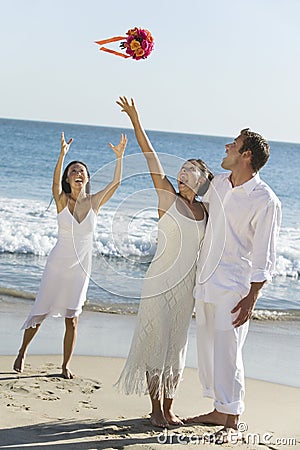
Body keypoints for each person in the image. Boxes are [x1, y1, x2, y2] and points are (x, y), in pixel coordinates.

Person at [115, 96, 213, 428]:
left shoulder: (205, 211)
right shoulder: (166, 195)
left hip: (186, 286)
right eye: (182, 168)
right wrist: (136, 122)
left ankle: (169, 408)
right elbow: (150, 157)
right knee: (155, 341)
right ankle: (155, 409)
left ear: (201, 181)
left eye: (191, 171)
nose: (183, 173)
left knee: (176, 347)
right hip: (159, 280)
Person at [184, 128, 281, 443]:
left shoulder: (266, 200)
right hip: (206, 279)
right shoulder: (220, 186)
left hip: (235, 287)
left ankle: (233, 420)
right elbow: (193, 201)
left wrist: (252, 297)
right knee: (210, 348)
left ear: (246, 155)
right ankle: (219, 409)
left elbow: (265, 255)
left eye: (234, 145)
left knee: (229, 351)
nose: (227, 147)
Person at [13, 132, 127, 379]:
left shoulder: (95, 202)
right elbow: (53, 185)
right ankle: (22, 351)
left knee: (72, 318)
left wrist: (120, 157)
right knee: (40, 311)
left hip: (80, 268)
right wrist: (62, 155)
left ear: (87, 178)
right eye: (73, 171)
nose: (78, 173)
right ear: (68, 177)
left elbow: (116, 184)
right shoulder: (62, 200)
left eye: (81, 171)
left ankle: (65, 365)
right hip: (57, 265)